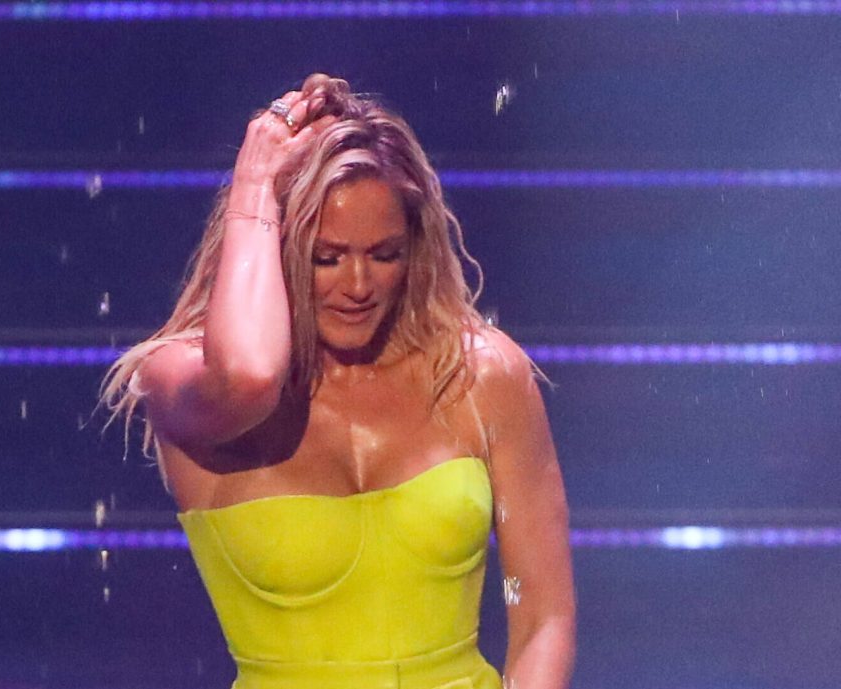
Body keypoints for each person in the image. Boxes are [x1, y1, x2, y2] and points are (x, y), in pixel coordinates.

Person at [101, 74, 575, 689]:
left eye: (384, 254)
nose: (357, 285)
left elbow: (540, 614)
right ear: (277, 241)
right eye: (326, 257)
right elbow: (248, 376)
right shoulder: (180, 380)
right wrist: (256, 182)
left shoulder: (480, 376)